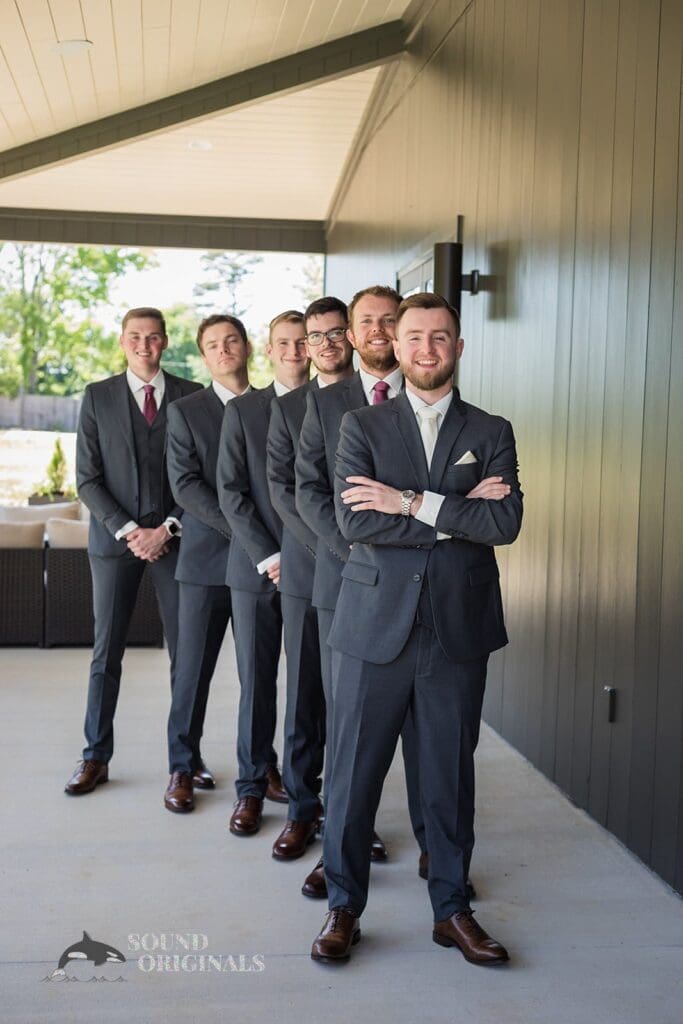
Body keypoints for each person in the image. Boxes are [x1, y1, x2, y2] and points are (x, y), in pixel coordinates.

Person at [310, 292, 523, 966]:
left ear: (457, 348)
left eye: (441, 337)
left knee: (447, 779)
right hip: (374, 627)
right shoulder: (360, 427)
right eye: (415, 338)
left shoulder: (490, 431)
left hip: (456, 631)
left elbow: (504, 525)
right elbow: (354, 523)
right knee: (352, 774)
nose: (427, 348)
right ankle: (343, 907)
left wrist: (408, 501)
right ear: (395, 348)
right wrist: (458, 512)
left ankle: (451, 909)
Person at [295, 286, 424, 898]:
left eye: (388, 319)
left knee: (429, 733)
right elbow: (307, 492)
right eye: (365, 321)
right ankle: (341, 851)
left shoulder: (431, 396)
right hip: (345, 585)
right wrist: (362, 551)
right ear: (349, 333)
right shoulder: (323, 404)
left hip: (428, 592)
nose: (378, 329)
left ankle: (438, 849)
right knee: (348, 730)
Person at [65, 307, 202, 796]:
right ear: (122, 341)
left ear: (165, 341)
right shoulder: (97, 397)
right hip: (114, 544)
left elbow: (203, 478)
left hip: (176, 541)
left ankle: (185, 762)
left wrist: (166, 528)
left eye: (153, 337)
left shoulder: (192, 395)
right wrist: (129, 531)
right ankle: (95, 757)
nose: (144, 345)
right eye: (135, 337)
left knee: (187, 654)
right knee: (106, 653)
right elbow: (88, 478)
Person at [265, 297, 355, 861]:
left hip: (372, 576)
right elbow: (283, 489)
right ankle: (301, 809)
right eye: (313, 335)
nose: (323, 343)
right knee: (305, 699)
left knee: (351, 702)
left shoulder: (379, 399)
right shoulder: (292, 406)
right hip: (308, 569)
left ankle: (351, 815)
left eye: (333, 332)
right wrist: (338, 548)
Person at [217, 310, 310, 836]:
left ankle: (303, 792)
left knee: (308, 688)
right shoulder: (244, 410)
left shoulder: (331, 403)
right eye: (285, 343)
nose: (295, 351)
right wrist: (272, 557)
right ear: (268, 351)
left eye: (303, 341)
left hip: (314, 572)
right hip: (256, 570)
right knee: (256, 683)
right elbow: (231, 493)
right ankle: (251, 788)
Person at [163, 314, 251, 813]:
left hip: (262, 567)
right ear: (203, 356)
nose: (223, 350)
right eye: (213, 344)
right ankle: (182, 765)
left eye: (231, 340)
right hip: (203, 562)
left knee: (256, 676)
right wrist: (244, 529)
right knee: (191, 671)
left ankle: (260, 769)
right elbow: (186, 486)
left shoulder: (270, 406)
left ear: (246, 347)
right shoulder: (187, 411)